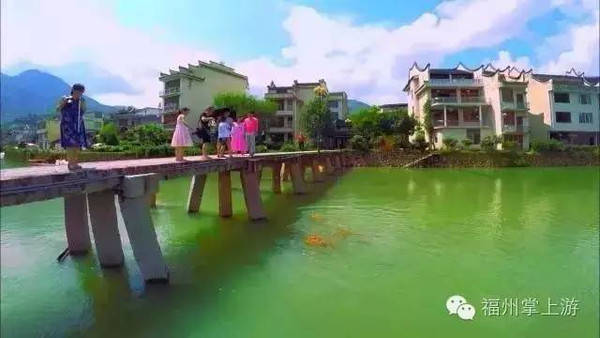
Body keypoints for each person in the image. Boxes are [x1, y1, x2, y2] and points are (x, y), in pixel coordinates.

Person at [57, 83, 87, 170]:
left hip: (78, 124)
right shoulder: (65, 99)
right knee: (70, 144)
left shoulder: (82, 101)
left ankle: (75, 163)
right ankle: (70, 164)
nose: (79, 94)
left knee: (77, 144)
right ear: (73, 90)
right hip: (67, 125)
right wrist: (63, 103)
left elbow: (84, 111)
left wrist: (82, 104)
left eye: (81, 92)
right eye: (78, 92)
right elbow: (58, 109)